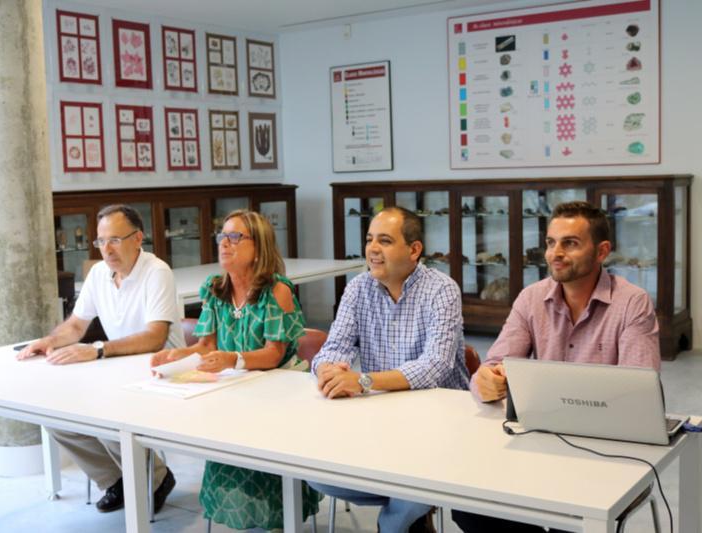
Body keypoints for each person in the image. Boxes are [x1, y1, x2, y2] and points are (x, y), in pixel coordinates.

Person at [452, 201, 660, 533]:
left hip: (605, 452)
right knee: (471, 508)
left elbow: (640, 392)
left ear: (602, 250)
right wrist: (486, 381)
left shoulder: (632, 302)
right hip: (540, 442)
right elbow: (491, 367)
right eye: (550, 242)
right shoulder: (531, 298)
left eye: (570, 243)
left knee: (572, 520)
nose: (554, 253)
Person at [151, 209, 322, 530]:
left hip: (277, 392)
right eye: (222, 236)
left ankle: (278, 519)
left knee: (264, 457)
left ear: (258, 246)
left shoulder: (276, 291)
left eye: (235, 237)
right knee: (223, 446)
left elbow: (273, 354)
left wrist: (232, 359)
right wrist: (176, 355)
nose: (224, 244)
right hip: (234, 387)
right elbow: (206, 345)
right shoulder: (215, 289)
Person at [308, 206, 469, 533]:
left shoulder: (442, 289)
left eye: (384, 240)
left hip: (441, 423)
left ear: (414, 250)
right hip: (380, 420)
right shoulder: (358, 288)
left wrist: (362, 381)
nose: (372, 249)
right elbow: (334, 347)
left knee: (422, 483)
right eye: (369, 240)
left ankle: (396, 521)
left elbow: (434, 367)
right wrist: (327, 369)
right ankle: (412, 508)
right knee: (316, 475)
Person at [17, 204, 183, 514]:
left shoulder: (157, 271)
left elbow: (155, 337)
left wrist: (97, 350)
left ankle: (157, 479)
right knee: (57, 417)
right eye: (101, 241)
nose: (107, 249)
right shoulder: (98, 273)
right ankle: (116, 479)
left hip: (161, 370)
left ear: (138, 238)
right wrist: (49, 341)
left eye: (115, 240)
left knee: (104, 412)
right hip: (118, 369)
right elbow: (77, 325)